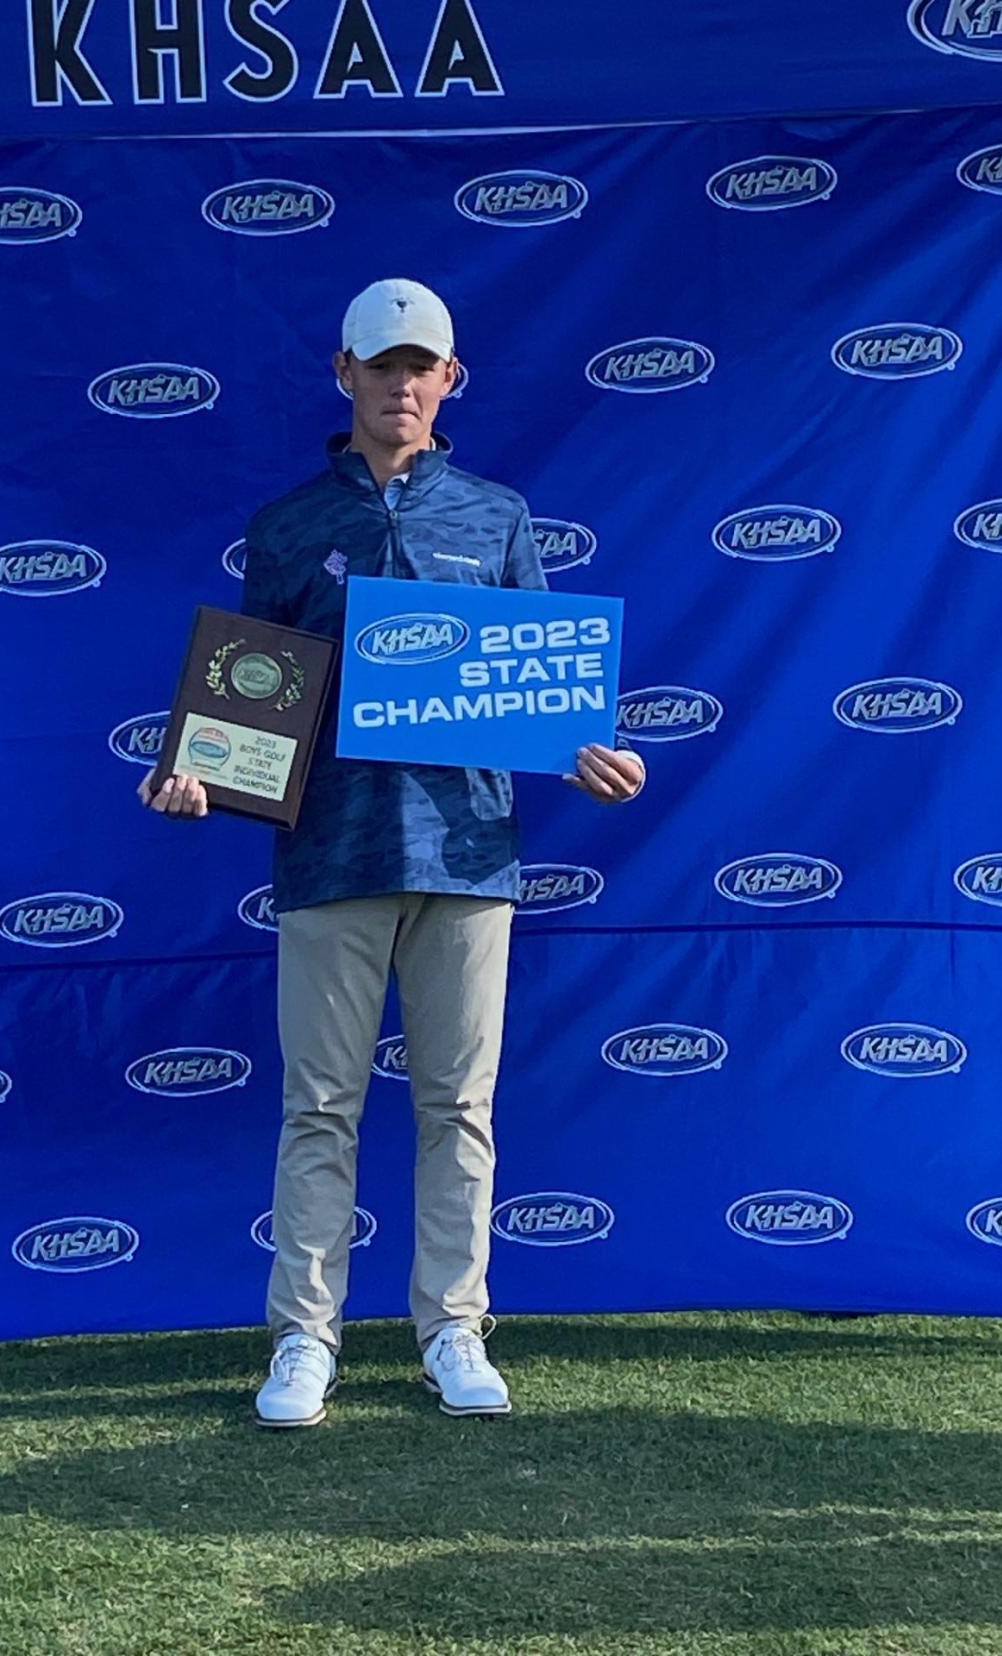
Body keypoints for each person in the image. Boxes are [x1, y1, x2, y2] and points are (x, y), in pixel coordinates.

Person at [139, 278, 646, 1427]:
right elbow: (246, 705)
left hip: (469, 859)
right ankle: (303, 1339)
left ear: (450, 380)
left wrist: (593, 756)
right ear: (346, 374)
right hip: (329, 857)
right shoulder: (285, 529)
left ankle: (451, 1328)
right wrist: (198, 775)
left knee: (458, 1106)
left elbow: (546, 691)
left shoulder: (498, 516)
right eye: (384, 365)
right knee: (320, 1106)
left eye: (423, 367)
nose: (403, 384)